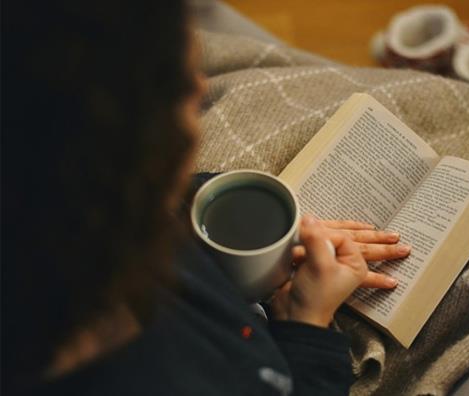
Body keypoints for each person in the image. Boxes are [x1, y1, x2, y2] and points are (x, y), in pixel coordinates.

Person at [1, 1, 411, 395]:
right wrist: (307, 327)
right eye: (177, 87)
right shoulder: (183, 376)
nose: (202, 85)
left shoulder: (61, 216)